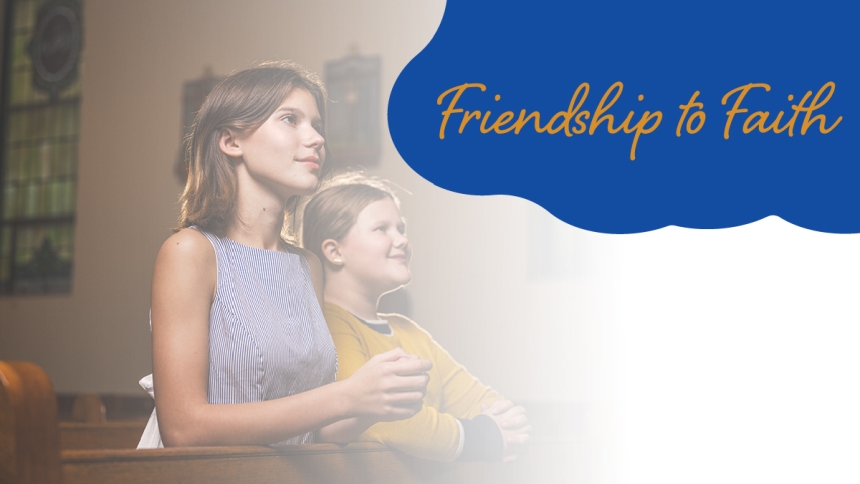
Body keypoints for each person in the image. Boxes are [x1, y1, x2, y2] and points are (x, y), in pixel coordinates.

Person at [138, 62, 431, 449]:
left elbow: (313, 428)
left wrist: (376, 399)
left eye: (317, 125)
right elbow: (183, 429)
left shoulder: (307, 266)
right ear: (231, 141)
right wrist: (345, 396)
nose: (316, 139)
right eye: (291, 119)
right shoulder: (190, 253)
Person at [301, 174, 532, 462]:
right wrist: (478, 437)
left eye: (401, 228)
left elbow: (487, 404)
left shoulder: (408, 330)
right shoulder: (330, 325)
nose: (402, 240)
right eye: (381, 229)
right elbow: (375, 419)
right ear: (334, 252)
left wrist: (504, 431)